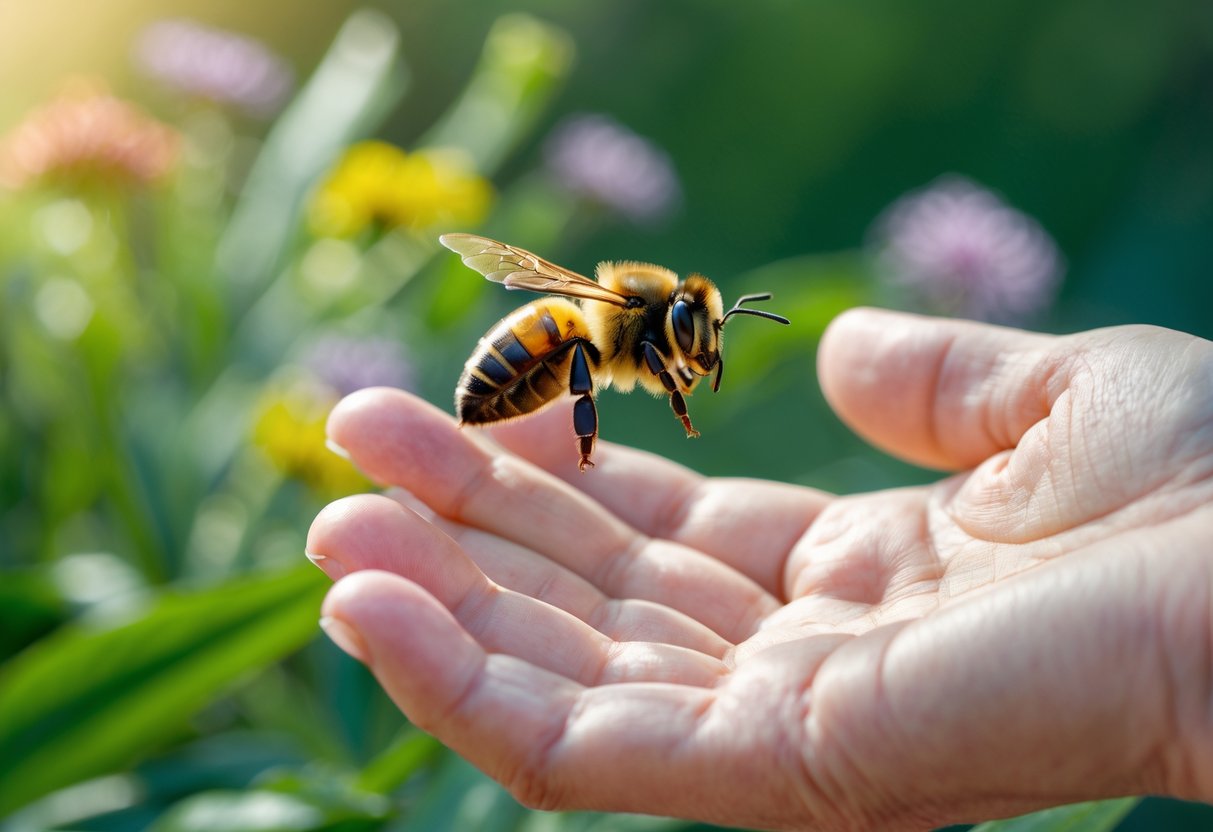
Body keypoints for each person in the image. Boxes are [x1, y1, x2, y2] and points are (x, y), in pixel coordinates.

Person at [305, 308, 1213, 831]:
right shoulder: (625, 328)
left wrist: (1164, 657)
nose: (700, 352)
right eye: (691, 340)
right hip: (537, 361)